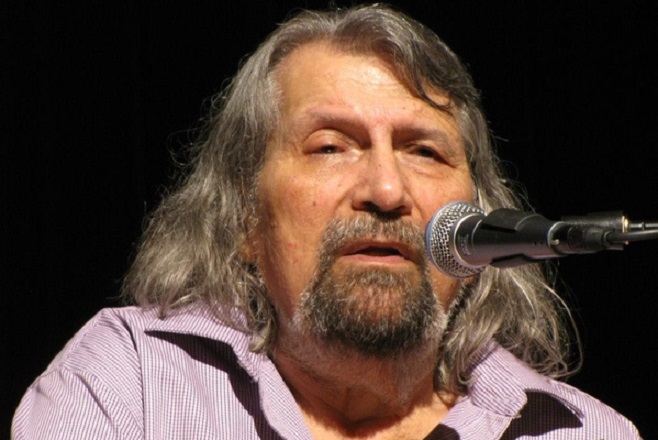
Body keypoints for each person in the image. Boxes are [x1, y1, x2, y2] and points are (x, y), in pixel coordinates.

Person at [12, 4, 641, 439]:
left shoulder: (584, 431)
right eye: (331, 146)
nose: (387, 190)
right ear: (243, 220)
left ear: (481, 229)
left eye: (424, 151)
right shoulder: (130, 385)